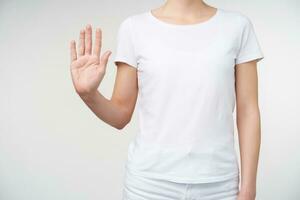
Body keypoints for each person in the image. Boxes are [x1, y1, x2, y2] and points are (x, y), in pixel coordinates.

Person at [69, 0, 264, 199]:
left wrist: (248, 189)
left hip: (218, 185)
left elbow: (248, 110)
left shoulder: (237, 27)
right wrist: (89, 95)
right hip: (148, 186)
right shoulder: (134, 28)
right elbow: (120, 114)